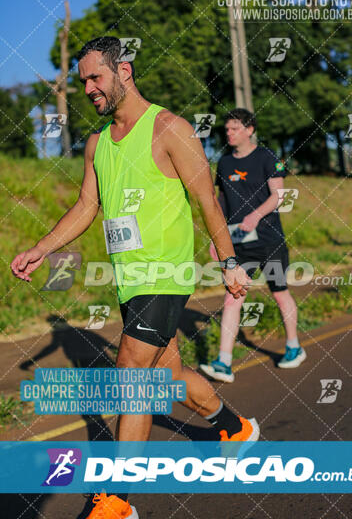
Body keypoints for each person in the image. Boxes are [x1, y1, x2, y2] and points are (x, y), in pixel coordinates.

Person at [10, 38, 259, 519]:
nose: (87, 88)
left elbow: (206, 200)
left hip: (166, 274)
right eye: (82, 80)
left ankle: (117, 501)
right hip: (129, 280)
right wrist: (41, 248)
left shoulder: (170, 128)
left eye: (95, 77)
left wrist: (228, 262)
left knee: (131, 376)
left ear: (123, 70)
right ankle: (235, 429)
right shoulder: (98, 143)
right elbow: (87, 206)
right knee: (166, 376)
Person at [200, 108, 306, 384]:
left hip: (269, 239)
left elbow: (279, 195)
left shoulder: (268, 157)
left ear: (250, 129)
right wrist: (217, 237)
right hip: (237, 244)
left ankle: (294, 346)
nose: (229, 133)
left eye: (235, 128)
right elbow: (220, 202)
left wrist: (255, 215)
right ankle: (224, 362)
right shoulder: (223, 163)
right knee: (232, 297)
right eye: (227, 129)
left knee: (280, 292)